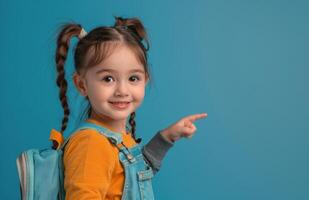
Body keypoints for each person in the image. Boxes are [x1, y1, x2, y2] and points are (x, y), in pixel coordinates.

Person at [52, 16, 208, 200]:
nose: (122, 90)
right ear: (82, 85)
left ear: (145, 80)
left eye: (133, 78)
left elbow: (136, 175)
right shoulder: (91, 143)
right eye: (108, 78)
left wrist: (167, 137)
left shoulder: (117, 138)